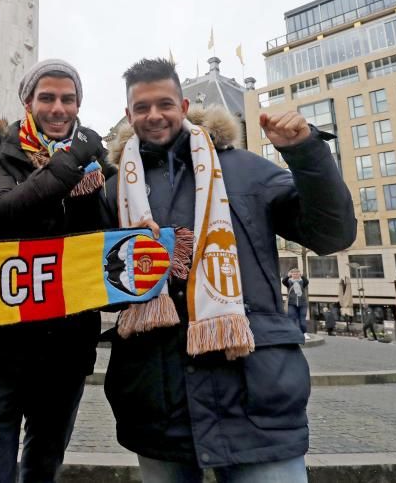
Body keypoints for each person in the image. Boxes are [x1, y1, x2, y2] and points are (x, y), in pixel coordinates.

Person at [101, 58, 356, 482]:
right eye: (141, 108)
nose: (154, 115)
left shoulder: (247, 169)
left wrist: (307, 151)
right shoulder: (114, 192)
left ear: (182, 105)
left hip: (256, 397)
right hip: (157, 400)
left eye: (164, 103)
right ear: (129, 115)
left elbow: (331, 234)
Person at [0, 58, 113, 483]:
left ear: (79, 103)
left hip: (66, 350)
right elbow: (4, 212)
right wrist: (71, 160)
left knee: (43, 470)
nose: (57, 108)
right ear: (26, 102)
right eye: (46, 97)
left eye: (68, 98)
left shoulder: (102, 165)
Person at [282, 268, 310, 340]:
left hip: (302, 303)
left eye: (297, 273)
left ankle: (304, 333)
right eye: (294, 274)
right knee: (292, 319)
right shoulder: (289, 282)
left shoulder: (302, 282)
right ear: (291, 274)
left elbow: (307, 282)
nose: (295, 275)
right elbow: (283, 281)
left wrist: (303, 276)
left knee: (302, 319)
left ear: (299, 274)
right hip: (292, 303)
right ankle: (293, 333)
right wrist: (287, 276)